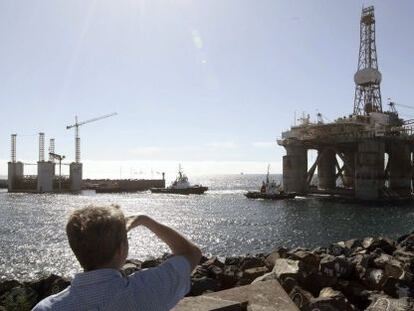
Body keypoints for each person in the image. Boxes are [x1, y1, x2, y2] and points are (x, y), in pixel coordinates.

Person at [32, 205, 202, 311]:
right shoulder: (148, 290)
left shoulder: (46, 308)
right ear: (121, 250)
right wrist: (145, 220)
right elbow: (191, 253)